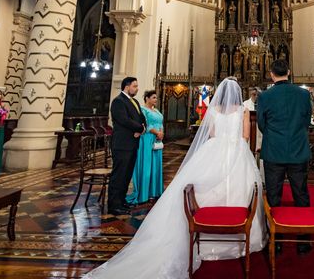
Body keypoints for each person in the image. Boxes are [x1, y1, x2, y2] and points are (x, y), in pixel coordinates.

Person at [82, 77, 265, 279]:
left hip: (215, 150)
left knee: (205, 187)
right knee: (240, 188)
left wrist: (222, 143)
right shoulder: (243, 111)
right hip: (237, 151)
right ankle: (238, 228)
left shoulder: (213, 111)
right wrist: (233, 144)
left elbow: (212, 134)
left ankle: (204, 228)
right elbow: (246, 136)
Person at [257, 59, 312, 254]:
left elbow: (261, 124)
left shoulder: (264, 96)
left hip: (273, 150)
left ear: (272, 74)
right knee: (301, 193)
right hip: (298, 149)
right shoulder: (304, 94)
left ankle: (276, 240)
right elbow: (307, 120)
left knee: (273, 195)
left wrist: (274, 135)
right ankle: (304, 240)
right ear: (289, 72)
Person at [108, 77, 146, 215]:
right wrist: (139, 129)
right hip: (122, 144)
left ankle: (122, 201)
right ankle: (114, 205)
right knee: (119, 175)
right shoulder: (118, 101)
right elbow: (123, 120)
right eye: (135, 86)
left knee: (127, 175)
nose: (137, 88)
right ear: (126, 87)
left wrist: (142, 128)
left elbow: (142, 119)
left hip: (132, 144)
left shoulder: (134, 101)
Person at [126, 90, 164, 205]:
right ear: (147, 98)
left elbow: (161, 122)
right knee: (147, 165)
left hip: (157, 139)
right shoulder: (143, 110)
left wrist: (161, 133)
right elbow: (146, 125)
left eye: (156, 98)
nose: (156, 100)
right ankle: (144, 193)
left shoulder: (156, 110)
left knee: (155, 165)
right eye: (153, 97)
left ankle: (155, 191)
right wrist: (157, 132)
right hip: (147, 138)